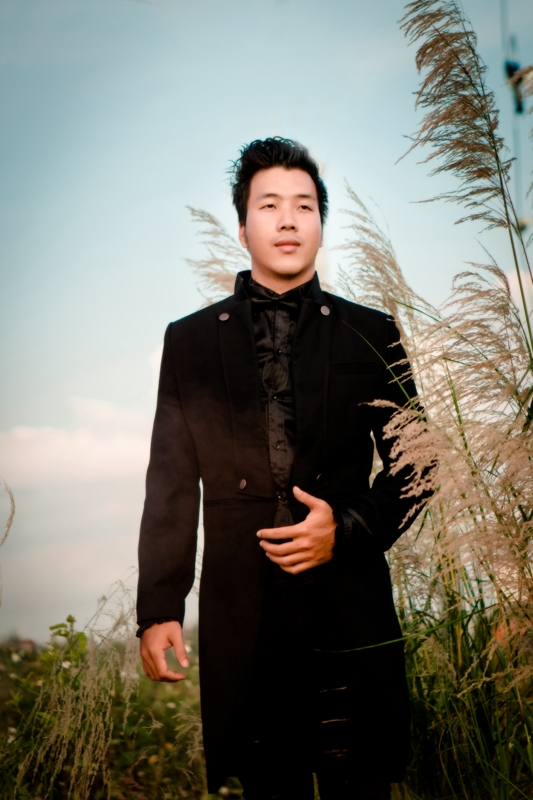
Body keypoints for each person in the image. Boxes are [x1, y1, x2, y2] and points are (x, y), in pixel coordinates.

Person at [137, 137, 429, 799]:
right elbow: (171, 481)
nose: (289, 219)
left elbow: (420, 466)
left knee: (362, 782)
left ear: (321, 224)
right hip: (246, 613)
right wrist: (158, 608)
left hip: (348, 609)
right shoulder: (188, 340)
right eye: (269, 205)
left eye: (304, 205)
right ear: (243, 228)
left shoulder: (371, 331)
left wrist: (345, 529)